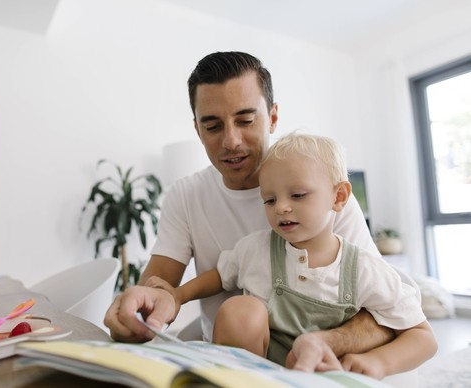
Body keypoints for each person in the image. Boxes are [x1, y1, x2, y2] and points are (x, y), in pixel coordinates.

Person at [104, 51, 401, 372]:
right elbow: (158, 289)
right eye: (213, 126)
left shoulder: (323, 196)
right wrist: (139, 309)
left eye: (246, 120)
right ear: (198, 130)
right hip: (231, 358)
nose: (231, 141)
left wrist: (323, 343)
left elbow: (385, 313)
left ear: (273, 117)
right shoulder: (186, 195)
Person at [145, 132, 437, 379]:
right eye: (270, 200)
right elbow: (220, 276)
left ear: (338, 197)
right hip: (260, 376)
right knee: (240, 308)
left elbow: (422, 336)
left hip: (325, 377)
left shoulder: (364, 268)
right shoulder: (255, 249)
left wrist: (379, 362)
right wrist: (178, 294)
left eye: (297, 195)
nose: (281, 208)